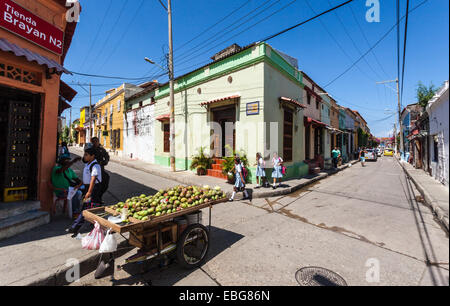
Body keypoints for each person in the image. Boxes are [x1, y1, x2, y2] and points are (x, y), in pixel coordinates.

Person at [66, 147, 103, 237]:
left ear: (92, 156)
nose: (84, 156)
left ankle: (75, 227)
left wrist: (89, 192)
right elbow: (87, 179)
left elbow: (93, 179)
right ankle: (95, 225)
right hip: (87, 188)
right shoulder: (88, 165)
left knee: (86, 207)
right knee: (90, 207)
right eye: (84, 154)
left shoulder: (95, 166)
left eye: (86, 155)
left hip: (93, 189)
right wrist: (79, 185)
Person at [88, 137, 110, 203]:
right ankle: (88, 201)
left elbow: (107, 156)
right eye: (94, 141)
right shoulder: (90, 150)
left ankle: (99, 197)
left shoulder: (101, 149)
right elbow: (85, 159)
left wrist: (104, 162)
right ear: (92, 142)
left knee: (104, 183)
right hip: (92, 170)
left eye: (96, 141)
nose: (95, 143)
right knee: (91, 186)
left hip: (101, 170)